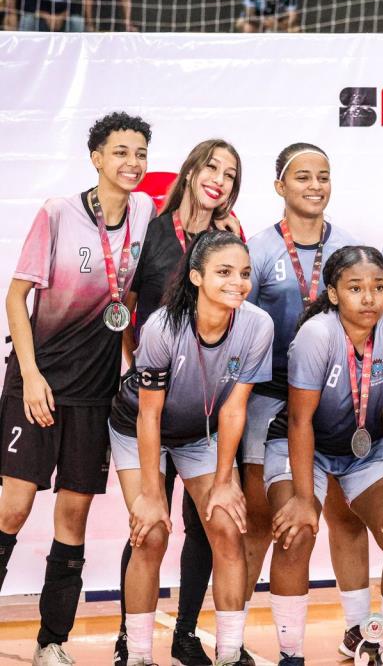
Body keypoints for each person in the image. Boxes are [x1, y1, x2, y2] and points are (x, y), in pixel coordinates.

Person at [0, 111, 155, 666]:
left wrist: (132, 362)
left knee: (74, 516)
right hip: (37, 384)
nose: (131, 163)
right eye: (119, 152)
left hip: (95, 392)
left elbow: (130, 299)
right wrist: (32, 374)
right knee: (12, 509)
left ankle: (51, 642)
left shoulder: (144, 212)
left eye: (139, 152)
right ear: (96, 158)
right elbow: (16, 298)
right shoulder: (58, 213)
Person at [107, 231, 273, 666]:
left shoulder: (258, 325)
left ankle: (230, 653)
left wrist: (223, 482)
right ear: (196, 277)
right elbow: (148, 415)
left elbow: (235, 409)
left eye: (244, 273)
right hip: (140, 428)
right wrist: (150, 492)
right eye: (223, 272)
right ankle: (139, 655)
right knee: (152, 533)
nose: (237, 282)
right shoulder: (164, 326)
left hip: (201, 432)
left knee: (226, 526)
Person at [239, 143, 372, 658]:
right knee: (259, 521)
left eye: (323, 175)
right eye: (302, 177)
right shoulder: (258, 251)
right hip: (269, 398)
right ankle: (234, 637)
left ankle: (358, 628)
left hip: (341, 401)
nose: (314, 185)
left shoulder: (351, 248)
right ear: (279, 187)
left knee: (345, 515)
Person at [115, 139, 243, 666]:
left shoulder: (229, 239)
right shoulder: (150, 230)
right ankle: (131, 639)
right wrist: (145, 365)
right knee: (148, 522)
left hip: (202, 415)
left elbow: (233, 322)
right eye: (210, 166)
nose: (218, 178)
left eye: (230, 174)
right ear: (190, 171)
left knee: (204, 524)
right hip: (150, 403)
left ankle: (186, 633)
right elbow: (127, 307)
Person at [264, 246, 383, 664]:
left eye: (378, 287)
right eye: (356, 288)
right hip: (304, 445)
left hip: (363, 449)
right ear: (334, 294)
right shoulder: (317, 334)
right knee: (296, 534)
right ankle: (290, 654)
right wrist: (302, 499)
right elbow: (300, 421)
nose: (369, 298)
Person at [5, 0, 85, 31]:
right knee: (27, 21)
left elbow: (74, 4)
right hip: (41, 20)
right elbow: (30, 6)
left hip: (63, 20)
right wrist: (47, 17)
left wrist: (61, 17)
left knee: (77, 22)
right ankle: (26, 54)